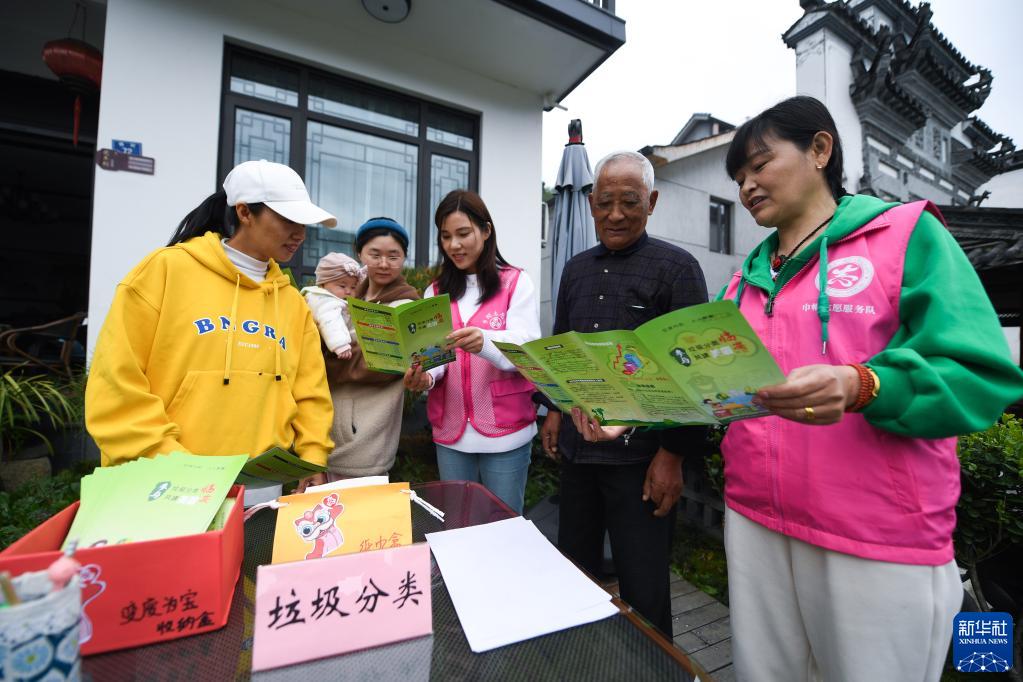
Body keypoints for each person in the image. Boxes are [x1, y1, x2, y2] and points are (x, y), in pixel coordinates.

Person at [715, 96, 1023, 681]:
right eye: (738, 178)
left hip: (875, 534)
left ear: (820, 149)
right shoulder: (742, 282)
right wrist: (638, 409)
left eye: (759, 164)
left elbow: (979, 372)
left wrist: (866, 384)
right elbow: (717, 389)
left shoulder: (904, 235)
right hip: (753, 518)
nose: (747, 186)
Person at [86, 159, 337, 489]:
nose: (300, 234)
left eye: (304, 223)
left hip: (258, 487)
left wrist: (312, 456)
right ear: (244, 212)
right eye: (288, 219)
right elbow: (116, 384)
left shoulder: (291, 302)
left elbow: (311, 392)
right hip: (161, 483)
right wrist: (175, 463)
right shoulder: (166, 271)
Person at [540, 150, 709, 638]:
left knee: (644, 585)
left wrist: (673, 455)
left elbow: (692, 375)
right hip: (578, 452)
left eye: (630, 202)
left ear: (651, 203)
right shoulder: (574, 269)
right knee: (574, 571)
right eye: (605, 202)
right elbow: (562, 345)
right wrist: (555, 410)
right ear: (591, 204)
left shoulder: (677, 269)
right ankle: (584, 658)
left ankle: (655, 667)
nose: (615, 214)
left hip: (642, 461)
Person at [403, 190, 541, 513]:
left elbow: (526, 349)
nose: (454, 245)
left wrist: (485, 343)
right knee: (456, 524)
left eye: (463, 233)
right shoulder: (435, 291)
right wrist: (426, 377)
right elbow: (434, 355)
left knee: (502, 526)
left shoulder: (516, 283)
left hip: (506, 432)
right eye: (446, 236)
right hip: (451, 434)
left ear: (486, 230)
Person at [323, 217, 419, 478]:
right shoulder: (343, 296)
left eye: (393, 256)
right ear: (359, 254)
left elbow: (383, 362)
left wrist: (319, 359)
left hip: (367, 440)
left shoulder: (405, 306)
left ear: (404, 258)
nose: (384, 264)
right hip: (325, 433)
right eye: (375, 255)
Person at [301, 253, 364, 360]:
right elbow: (330, 321)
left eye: (353, 287)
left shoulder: (332, 299)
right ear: (323, 284)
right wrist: (340, 345)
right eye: (342, 286)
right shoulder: (325, 300)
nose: (348, 291)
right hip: (328, 349)